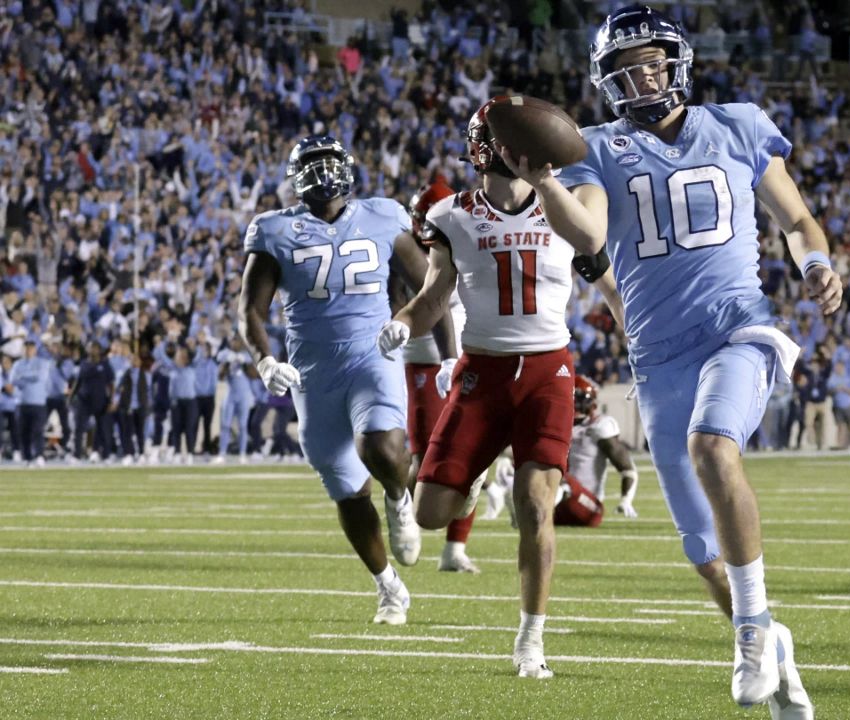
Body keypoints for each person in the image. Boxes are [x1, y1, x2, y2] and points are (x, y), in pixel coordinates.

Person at [511, 6, 837, 714]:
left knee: (714, 446)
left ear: (677, 61)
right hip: (659, 357)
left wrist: (814, 264)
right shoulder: (595, 148)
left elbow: (797, 219)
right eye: (624, 70)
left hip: (737, 329)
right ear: (607, 81)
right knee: (700, 547)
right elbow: (589, 231)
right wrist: (543, 181)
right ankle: (774, 650)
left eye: (650, 63)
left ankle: (752, 630)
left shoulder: (739, 125)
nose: (640, 78)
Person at [378, 99, 624, 679]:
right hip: (481, 372)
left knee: (536, 506)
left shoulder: (572, 201)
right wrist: (401, 324)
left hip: (547, 370)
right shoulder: (452, 214)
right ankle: (472, 480)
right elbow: (435, 297)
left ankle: (530, 641)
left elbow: (599, 259)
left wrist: (635, 332)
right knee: (431, 513)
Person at [238, 135, 424, 625]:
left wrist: (415, 329)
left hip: (372, 353)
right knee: (345, 488)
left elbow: (429, 286)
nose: (322, 175)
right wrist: (264, 360)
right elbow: (250, 311)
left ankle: (401, 496)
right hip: (311, 371)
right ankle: (388, 587)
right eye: (312, 165)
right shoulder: (274, 230)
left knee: (379, 445)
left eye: (328, 163)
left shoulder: (384, 215)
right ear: (296, 177)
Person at [397, 178, 483, 574]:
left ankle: (454, 548)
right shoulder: (403, 253)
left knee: (477, 461)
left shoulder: (471, 239)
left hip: (469, 357)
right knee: (422, 458)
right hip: (422, 360)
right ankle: (406, 510)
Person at [558, 376, 640, 526]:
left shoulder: (599, 426)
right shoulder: (556, 425)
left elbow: (628, 469)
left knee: (559, 479)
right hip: (559, 506)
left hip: (589, 507)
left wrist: (626, 500)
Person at [213, 335, 255, 464]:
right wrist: (228, 360)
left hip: (244, 394)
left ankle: (242, 454)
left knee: (243, 425)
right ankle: (222, 453)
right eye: (233, 340)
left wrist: (243, 360)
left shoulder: (246, 354)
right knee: (225, 424)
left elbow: (253, 370)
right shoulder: (225, 353)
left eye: (238, 341)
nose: (235, 343)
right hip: (230, 393)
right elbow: (219, 363)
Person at [12, 340, 51, 466]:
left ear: (35, 350)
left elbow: (40, 377)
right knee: (24, 431)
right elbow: (13, 380)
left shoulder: (42, 363)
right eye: (26, 348)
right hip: (22, 402)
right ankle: (27, 458)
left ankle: (39, 455)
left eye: (31, 348)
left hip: (38, 402)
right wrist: (28, 378)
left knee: (38, 430)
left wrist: (23, 377)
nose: (28, 351)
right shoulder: (18, 363)